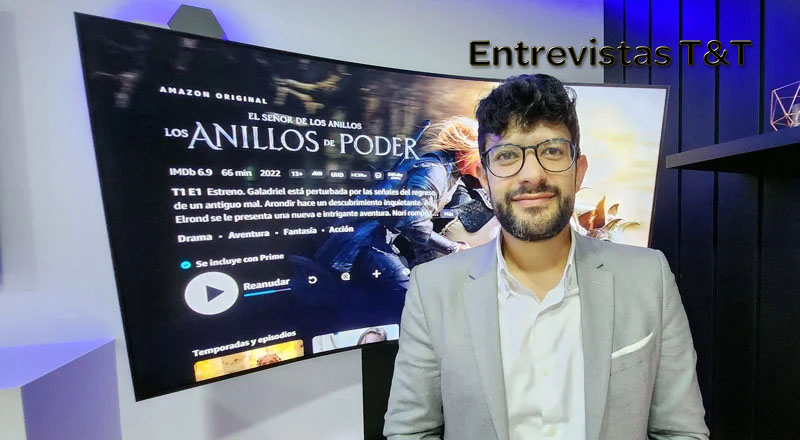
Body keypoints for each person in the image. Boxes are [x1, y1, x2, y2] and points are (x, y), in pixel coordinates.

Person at [384, 74, 709, 440]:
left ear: (579, 171)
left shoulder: (648, 277)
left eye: (552, 151)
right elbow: (410, 431)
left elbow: (680, 430)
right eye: (507, 155)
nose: (532, 174)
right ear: (484, 178)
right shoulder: (433, 289)